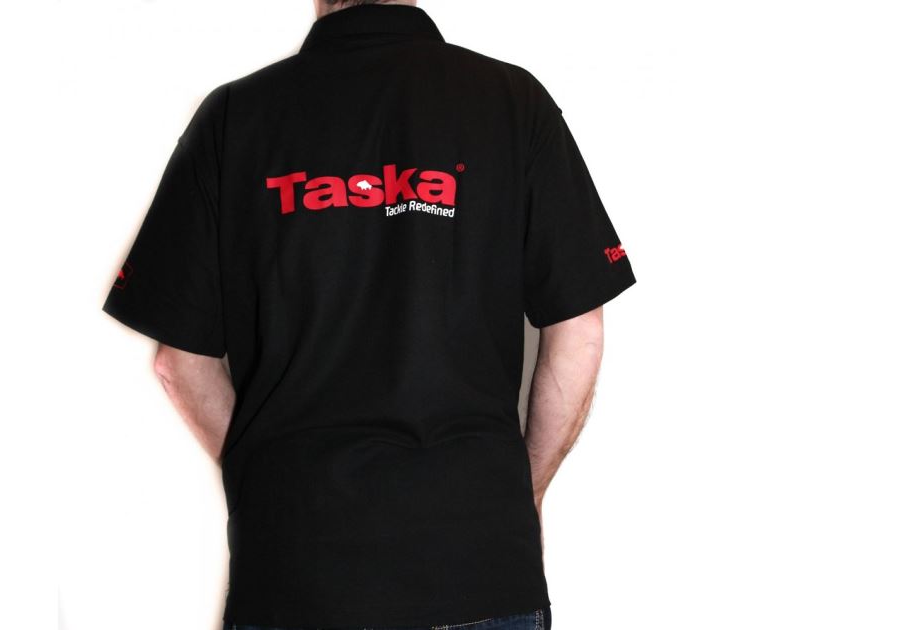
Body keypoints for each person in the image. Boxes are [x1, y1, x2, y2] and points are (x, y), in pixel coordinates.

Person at [102, 1, 636, 628]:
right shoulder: (513, 102)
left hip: (294, 571)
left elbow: (178, 361)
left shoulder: (235, 116)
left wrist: (269, 487)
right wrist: (524, 494)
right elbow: (579, 330)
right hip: (480, 561)